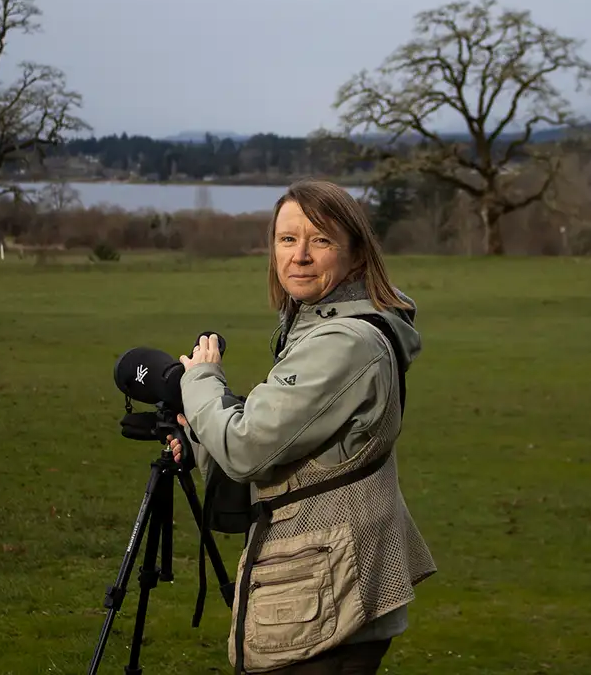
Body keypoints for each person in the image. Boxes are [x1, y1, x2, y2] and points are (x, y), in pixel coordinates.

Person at [168, 179, 436, 674]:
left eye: (321, 240)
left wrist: (201, 379)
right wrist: (199, 434)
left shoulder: (345, 341)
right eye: (287, 240)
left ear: (356, 253)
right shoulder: (319, 323)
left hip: (330, 593)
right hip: (326, 577)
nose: (300, 256)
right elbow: (284, 455)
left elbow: (247, 449)